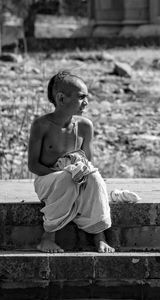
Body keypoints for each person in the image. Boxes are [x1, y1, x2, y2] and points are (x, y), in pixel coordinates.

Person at [28, 70, 115, 253]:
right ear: (61, 99)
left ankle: (100, 236)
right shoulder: (41, 125)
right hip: (48, 181)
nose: (86, 102)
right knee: (67, 179)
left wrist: (81, 172)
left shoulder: (84, 126)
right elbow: (33, 165)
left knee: (95, 177)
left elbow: (88, 162)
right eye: (81, 97)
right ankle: (47, 237)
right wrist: (66, 174)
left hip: (76, 178)